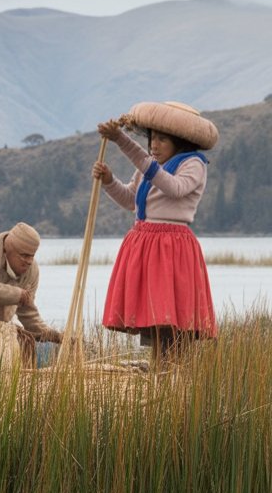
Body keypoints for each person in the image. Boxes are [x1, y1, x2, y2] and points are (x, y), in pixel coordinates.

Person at [92, 101, 219, 361]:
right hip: (146, 246)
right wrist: (109, 181)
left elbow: (174, 188)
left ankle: (175, 374)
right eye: (152, 138)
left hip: (171, 247)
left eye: (161, 139)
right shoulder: (150, 166)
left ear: (178, 141)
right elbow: (131, 200)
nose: (154, 145)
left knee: (171, 319)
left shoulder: (193, 163)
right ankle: (161, 373)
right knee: (154, 318)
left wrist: (124, 143)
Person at [0, 222, 63, 364]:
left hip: (3, 334)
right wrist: (18, 294)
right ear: (8, 249)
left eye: (32, 256)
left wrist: (54, 335)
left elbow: (28, 313)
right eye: (24, 256)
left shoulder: (32, 270)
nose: (28, 262)